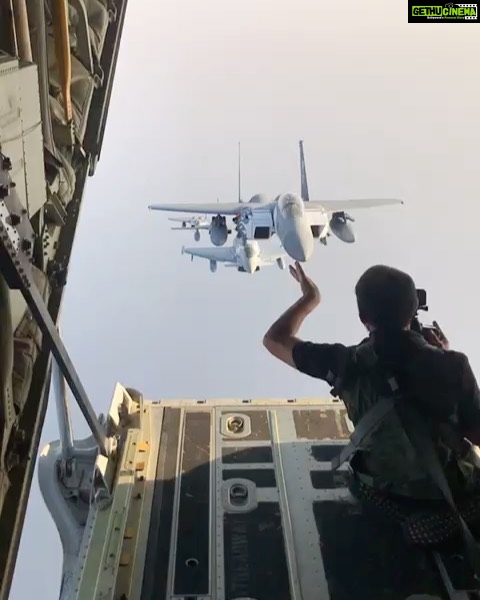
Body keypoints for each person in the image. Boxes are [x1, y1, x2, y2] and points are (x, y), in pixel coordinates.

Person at [263, 262, 480, 504]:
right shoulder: (453, 366)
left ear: (363, 318)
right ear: (414, 308)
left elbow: (275, 339)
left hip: (391, 504)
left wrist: (311, 297)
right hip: (460, 496)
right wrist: (442, 355)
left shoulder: (343, 363)